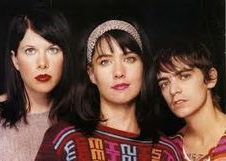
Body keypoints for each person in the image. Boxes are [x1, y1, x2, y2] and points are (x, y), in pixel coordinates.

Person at [35, 19, 182, 160]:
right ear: (91, 74)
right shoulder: (65, 140)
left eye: (129, 59)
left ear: (143, 67)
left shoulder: (166, 151)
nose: (118, 72)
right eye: (105, 62)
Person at [0, 8, 74, 161]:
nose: (42, 63)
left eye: (52, 50)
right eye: (30, 51)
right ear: (15, 60)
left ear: (65, 56)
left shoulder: (82, 117)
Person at [153, 42, 226, 160]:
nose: (173, 90)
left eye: (184, 76)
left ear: (211, 78)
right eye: (164, 83)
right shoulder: (168, 149)